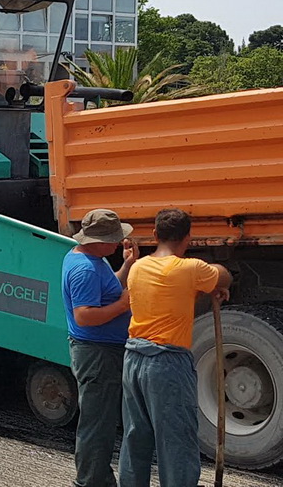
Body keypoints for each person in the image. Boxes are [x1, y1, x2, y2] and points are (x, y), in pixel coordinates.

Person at [118, 208, 232, 487]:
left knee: (135, 438)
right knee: (176, 442)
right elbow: (224, 276)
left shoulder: (138, 268)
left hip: (133, 358)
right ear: (188, 238)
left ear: (155, 234)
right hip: (166, 363)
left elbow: (171, 293)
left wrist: (201, 287)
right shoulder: (191, 269)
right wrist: (213, 284)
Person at [62, 208, 138, 487]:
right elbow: (84, 315)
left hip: (98, 351)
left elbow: (107, 289)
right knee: (97, 425)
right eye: (114, 239)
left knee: (100, 421)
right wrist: (123, 305)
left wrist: (127, 266)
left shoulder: (88, 258)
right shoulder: (86, 269)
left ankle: (97, 479)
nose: (118, 243)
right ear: (98, 241)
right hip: (97, 353)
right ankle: (91, 481)